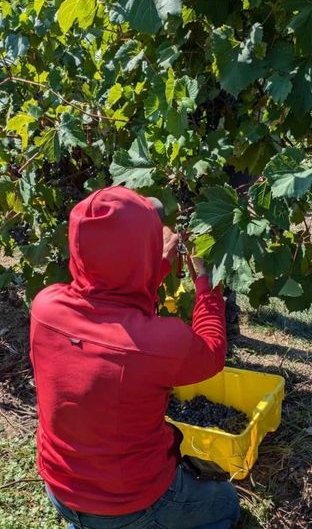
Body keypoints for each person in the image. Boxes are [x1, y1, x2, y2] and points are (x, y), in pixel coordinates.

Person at [29, 187, 238, 529]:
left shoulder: (45, 308)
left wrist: (159, 265)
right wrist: (207, 282)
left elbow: (110, 300)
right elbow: (211, 351)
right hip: (132, 502)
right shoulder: (161, 342)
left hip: (60, 490)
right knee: (225, 504)